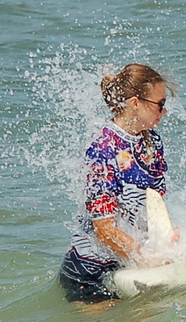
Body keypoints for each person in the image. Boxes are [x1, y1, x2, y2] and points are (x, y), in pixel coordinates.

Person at [59, 63, 176, 302]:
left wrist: (168, 238)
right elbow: (104, 230)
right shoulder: (102, 150)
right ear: (135, 103)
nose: (164, 111)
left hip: (126, 269)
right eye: (160, 104)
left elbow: (153, 205)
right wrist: (145, 258)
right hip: (90, 274)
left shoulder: (152, 143)